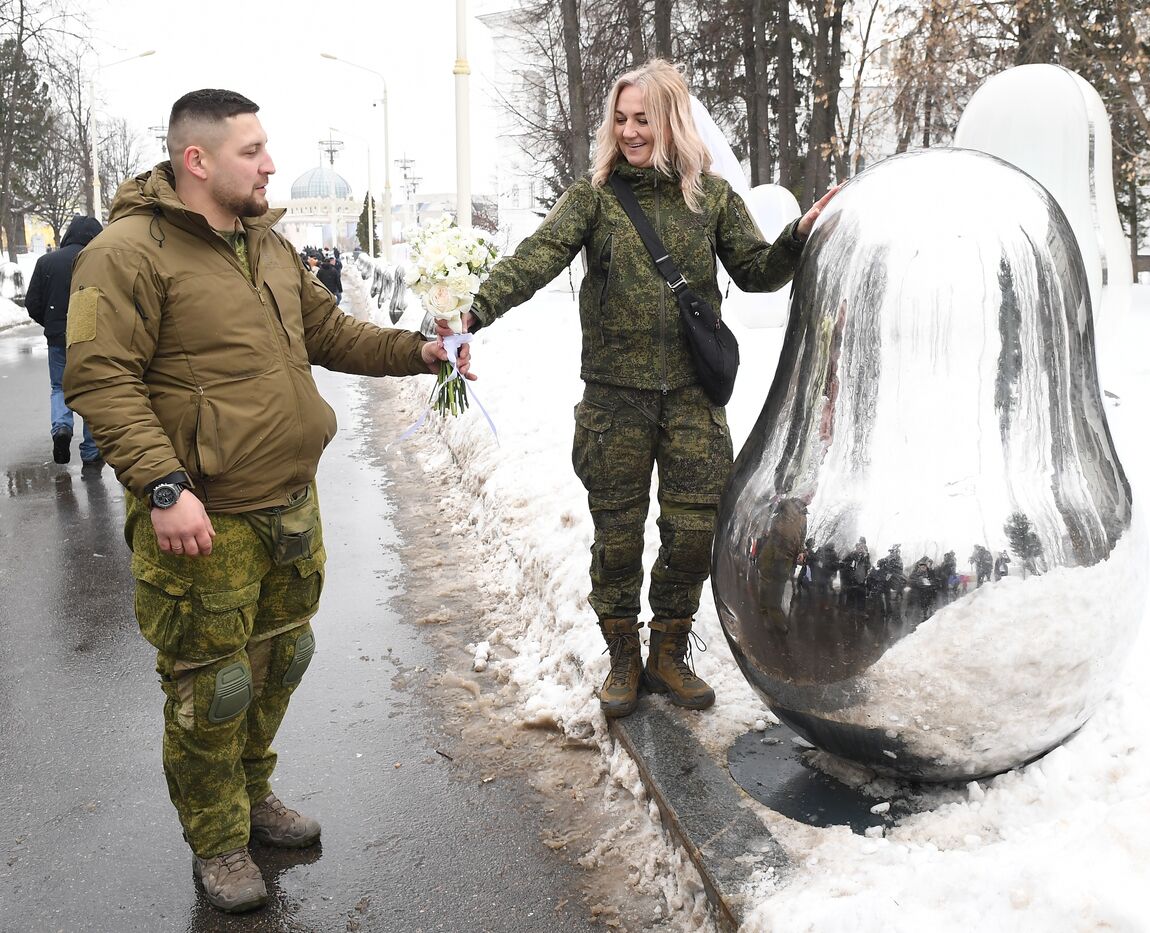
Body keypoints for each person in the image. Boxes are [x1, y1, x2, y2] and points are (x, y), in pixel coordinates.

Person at [62, 89, 471, 914]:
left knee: (281, 660)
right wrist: (165, 486)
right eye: (253, 150)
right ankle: (216, 839)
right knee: (211, 687)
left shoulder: (268, 244)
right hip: (202, 516)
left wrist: (422, 352)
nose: (272, 163)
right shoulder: (128, 252)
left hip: (288, 502)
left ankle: (252, 795)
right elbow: (98, 378)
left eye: (267, 147)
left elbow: (332, 334)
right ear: (198, 161)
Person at [442, 59, 837, 718]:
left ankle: (668, 652)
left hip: (691, 400)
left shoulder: (709, 199)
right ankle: (622, 656)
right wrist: (472, 314)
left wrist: (797, 237)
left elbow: (758, 271)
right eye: (621, 119)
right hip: (614, 402)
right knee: (617, 537)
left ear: (671, 121)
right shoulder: (593, 199)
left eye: (642, 119)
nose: (629, 131)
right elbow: (535, 260)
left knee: (692, 534)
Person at [24, 215, 104, 467]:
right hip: (92, 337)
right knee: (92, 390)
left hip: (58, 338)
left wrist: (52, 323)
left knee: (59, 387)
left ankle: (61, 428)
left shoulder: (46, 262)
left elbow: (32, 303)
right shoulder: (98, 260)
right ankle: (91, 451)